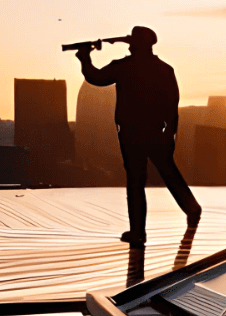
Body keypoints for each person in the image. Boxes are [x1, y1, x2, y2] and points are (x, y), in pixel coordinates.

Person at [75, 26, 201, 247]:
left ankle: (138, 232)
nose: (130, 45)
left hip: (132, 132)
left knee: (135, 181)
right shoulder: (164, 69)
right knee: (167, 173)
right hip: (155, 132)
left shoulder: (125, 67)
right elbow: (173, 105)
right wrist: (171, 133)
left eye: (133, 42)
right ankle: (191, 209)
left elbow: (97, 78)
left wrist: (85, 59)